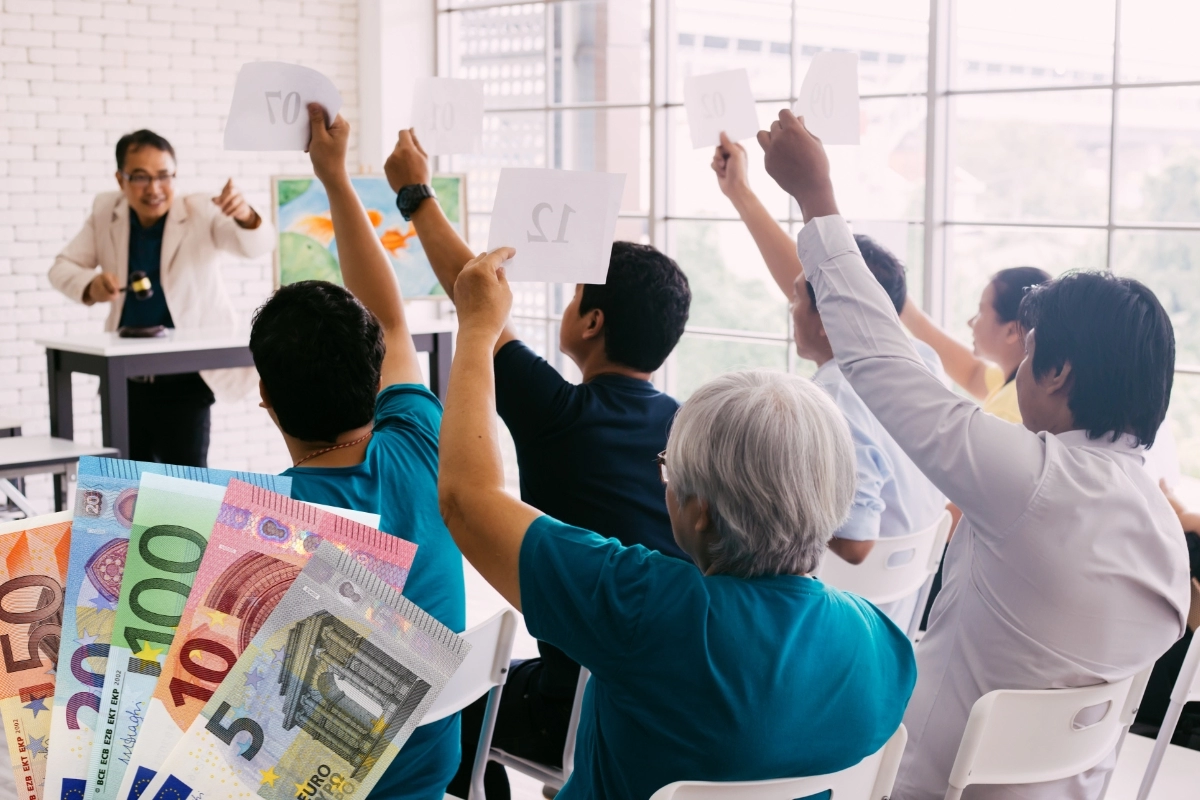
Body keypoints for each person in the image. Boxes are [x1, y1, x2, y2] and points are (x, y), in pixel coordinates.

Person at [758, 108, 1191, 800]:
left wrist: (816, 199)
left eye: (1029, 355)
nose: (1015, 373)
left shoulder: (1036, 482)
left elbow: (879, 359)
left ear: (1058, 374)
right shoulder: (1163, 536)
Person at [439, 244, 917, 798]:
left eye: (669, 471)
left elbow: (465, 501)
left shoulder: (644, 606)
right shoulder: (879, 641)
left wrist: (477, 328)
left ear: (699, 512)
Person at [382, 132, 693, 798]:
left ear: (591, 322)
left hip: (581, 710)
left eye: (577, 293)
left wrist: (415, 197)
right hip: (670, 688)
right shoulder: (692, 428)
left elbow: (478, 300)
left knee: (455, 703)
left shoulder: (562, 418)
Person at [248, 107, 465, 800]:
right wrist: (337, 177)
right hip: (433, 768)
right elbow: (393, 318)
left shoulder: (262, 522)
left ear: (265, 399)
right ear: (378, 382)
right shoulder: (421, 443)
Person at [711, 132, 945, 630]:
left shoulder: (835, 397)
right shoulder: (923, 360)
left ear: (827, 318)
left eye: (798, 298)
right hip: (903, 620)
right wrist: (741, 194)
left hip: (841, 625)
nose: (791, 306)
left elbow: (856, 542)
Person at [49, 129, 274, 467]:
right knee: (125, 488)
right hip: (125, 380)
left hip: (187, 379)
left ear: (174, 175)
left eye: (163, 176)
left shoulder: (200, 209)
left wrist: (245, 215)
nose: (154, 188)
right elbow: (61, 267)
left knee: (187, 492)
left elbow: (256, 246)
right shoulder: (105, 210)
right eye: (140, 177)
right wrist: (90, 284)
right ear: (120, 179)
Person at [900, 266, 1050, 424]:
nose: (970, 322)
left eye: (980, 312)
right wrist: (908, 312)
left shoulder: (1008, 411)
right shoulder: (1029, 380)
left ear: (1012, 331)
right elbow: (973, 373)